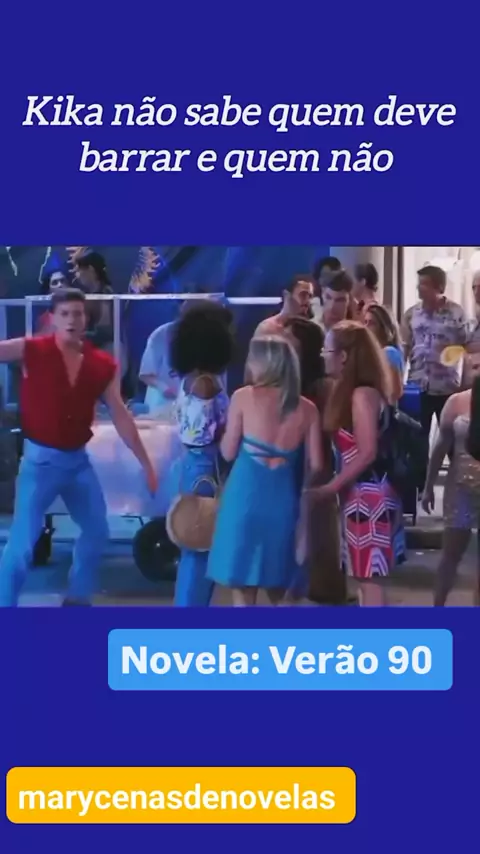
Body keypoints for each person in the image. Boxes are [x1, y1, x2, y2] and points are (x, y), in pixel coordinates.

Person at [0, 288, 157, 607]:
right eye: (65, 314)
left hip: (77, 463)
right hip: (39, 463)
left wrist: (146, 463)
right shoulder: (32, 349)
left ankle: (77, 599)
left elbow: (120, 414)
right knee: (22, 545)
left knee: (97, 531)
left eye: (78, 313)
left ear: (86, 319)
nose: (72, 320)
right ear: (53, 318)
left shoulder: (101, 364)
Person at [206, 335, 323, 606]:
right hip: (283, 501)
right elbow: (317, 464)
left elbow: (228, 452)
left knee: (243, 588)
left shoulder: (243, 397)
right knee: (280, 587)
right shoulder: (308, 409)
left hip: (244, 497)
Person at [315, 321, 396, 606]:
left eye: (327, 349)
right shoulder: (356, 393)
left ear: (344, 356)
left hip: (369, 498)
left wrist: (331, 487)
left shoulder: (362, 395)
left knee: (369, 577)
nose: (322, 355)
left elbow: (367, 452)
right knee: (364, 576)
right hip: (360, 496)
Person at [169, 301, 234, 607]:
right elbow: (206, 435)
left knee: (194, 545)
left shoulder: (189, 379)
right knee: (200, 544)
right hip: (206, 468)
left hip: (192, 466)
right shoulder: (206, 385)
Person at [285, 317, 346, 605]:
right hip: (295, 461)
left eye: (290, 340)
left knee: (316, 525)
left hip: (316, 461)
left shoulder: (323, 386)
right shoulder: (292, 383)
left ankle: (322, 587)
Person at [400, 264, 466, 492]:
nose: (420, 288)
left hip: (447, 387)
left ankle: (458, 488)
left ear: (439, 287)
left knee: (452, 442)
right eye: (419, 284)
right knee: (417, 441)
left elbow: (468, 347)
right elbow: (404, 347)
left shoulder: (457, 313)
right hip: (417, 386)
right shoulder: (411, 314)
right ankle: (419, 490)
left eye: (425, 284)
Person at [422, 352, 480, 606]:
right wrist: (428, 486)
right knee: (450, 555)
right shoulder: (456, 402)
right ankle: (438, 610)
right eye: (474, 365)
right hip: (460, 488)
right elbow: (440, 447)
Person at [364, 303, 405, 402]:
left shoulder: (389, 352)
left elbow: (395, 392)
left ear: (383, 328)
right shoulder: (376, 352)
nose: (366, 327)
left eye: (371, 323)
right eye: (365, 322)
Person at [253, 274, 314, 339]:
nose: (307, 301)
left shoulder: (311, 331)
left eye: (310, 296)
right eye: (303, 295)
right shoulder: (267, 328)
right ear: (287, 296)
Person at [36, 267, 71, 334]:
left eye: (62, 281)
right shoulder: (44, 319)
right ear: (48, 290)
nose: (60, 285)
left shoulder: (79, 311)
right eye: (55, 283)